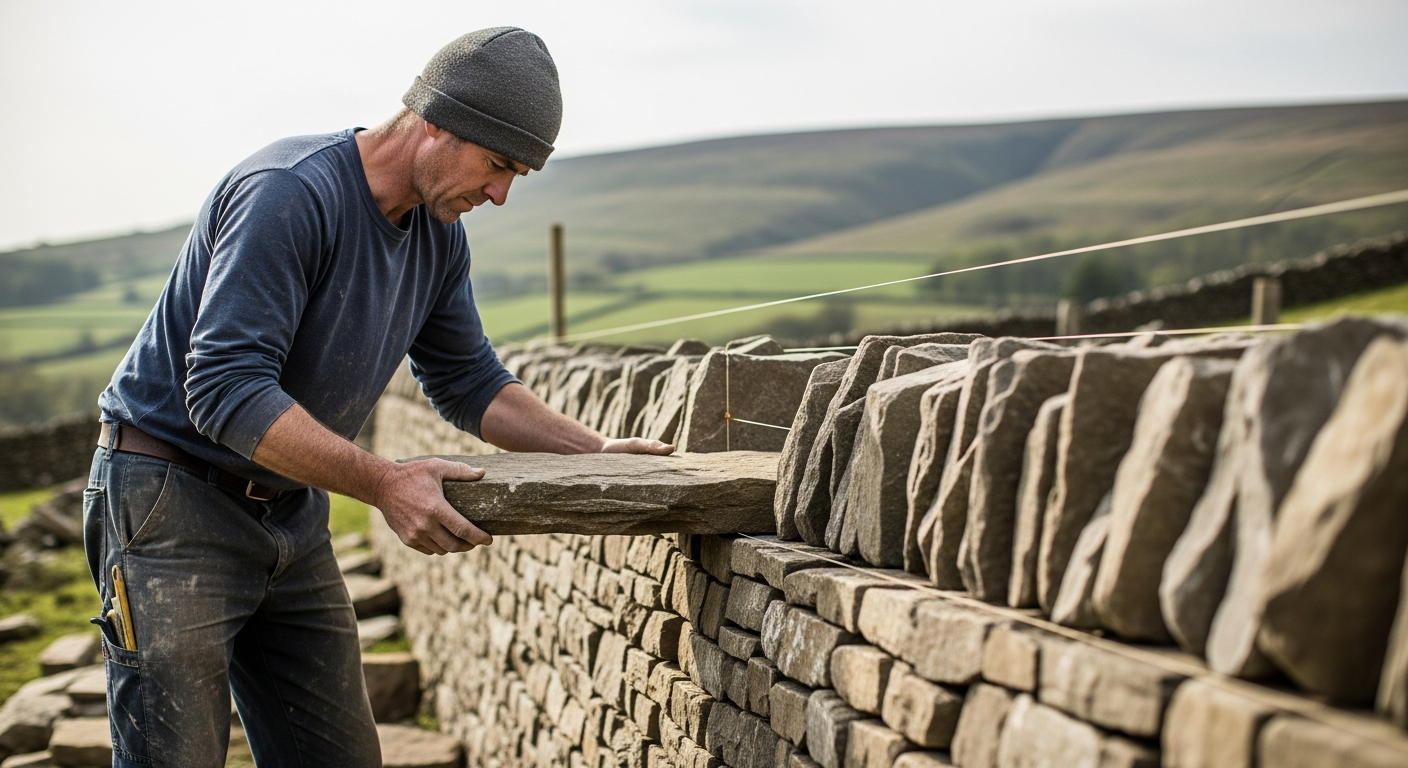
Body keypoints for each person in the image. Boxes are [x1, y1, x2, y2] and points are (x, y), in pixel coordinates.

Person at [83, 27, 671, 768]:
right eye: (497, 164)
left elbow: (469, 381)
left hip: (290, 513)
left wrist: (596, 455)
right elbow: (225, 390)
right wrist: (385, 484)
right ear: (434, 121)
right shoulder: (289, 193)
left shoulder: (437, 236)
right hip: (170, 503)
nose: (500, 194)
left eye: (517, 174)